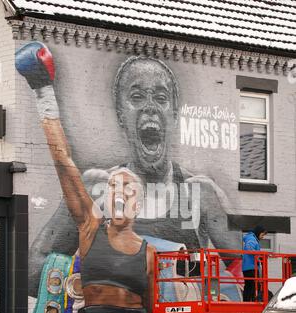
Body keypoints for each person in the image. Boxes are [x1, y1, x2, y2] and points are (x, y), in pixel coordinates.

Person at [25, 50, 242, 298]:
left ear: (173, 112)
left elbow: (246, 272)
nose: (149, 107)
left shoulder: (200, 194)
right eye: (137, 96)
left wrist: (209, 292)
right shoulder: (95, 188)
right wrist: (88, 279)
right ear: (120, 114)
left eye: (161, 97)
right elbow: (33, 268)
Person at [16, 42, 157, 313]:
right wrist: (43, 91)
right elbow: (63, 162)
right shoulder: (90, 227)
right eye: (113, 187)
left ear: (138, 203)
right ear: (105, 200)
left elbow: (152, 309)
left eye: (127, 187)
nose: (119, 191)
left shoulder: (149, 253)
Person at [242, 225, 267, 302]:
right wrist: (259, 255)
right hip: (251, 267)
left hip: (248, 266)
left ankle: (247, 301)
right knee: (254, 286)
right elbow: (249, 248)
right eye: (262, 235)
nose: (262, 237)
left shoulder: (251, 238)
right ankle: (250, 302)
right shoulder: (252, 239)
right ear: (258, 232)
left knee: (250, 286)